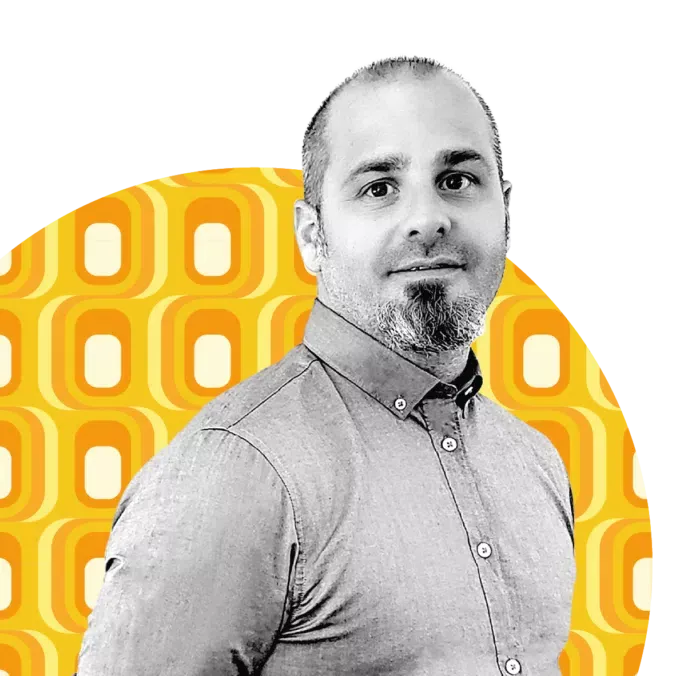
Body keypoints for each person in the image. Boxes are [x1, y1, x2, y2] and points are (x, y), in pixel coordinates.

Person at [76, 55, 576, 676]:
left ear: (507, 211)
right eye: (379, 187)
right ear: (313, 236)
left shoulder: (534, 460)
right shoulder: (237, 471)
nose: (428, 219)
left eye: (456, 179)